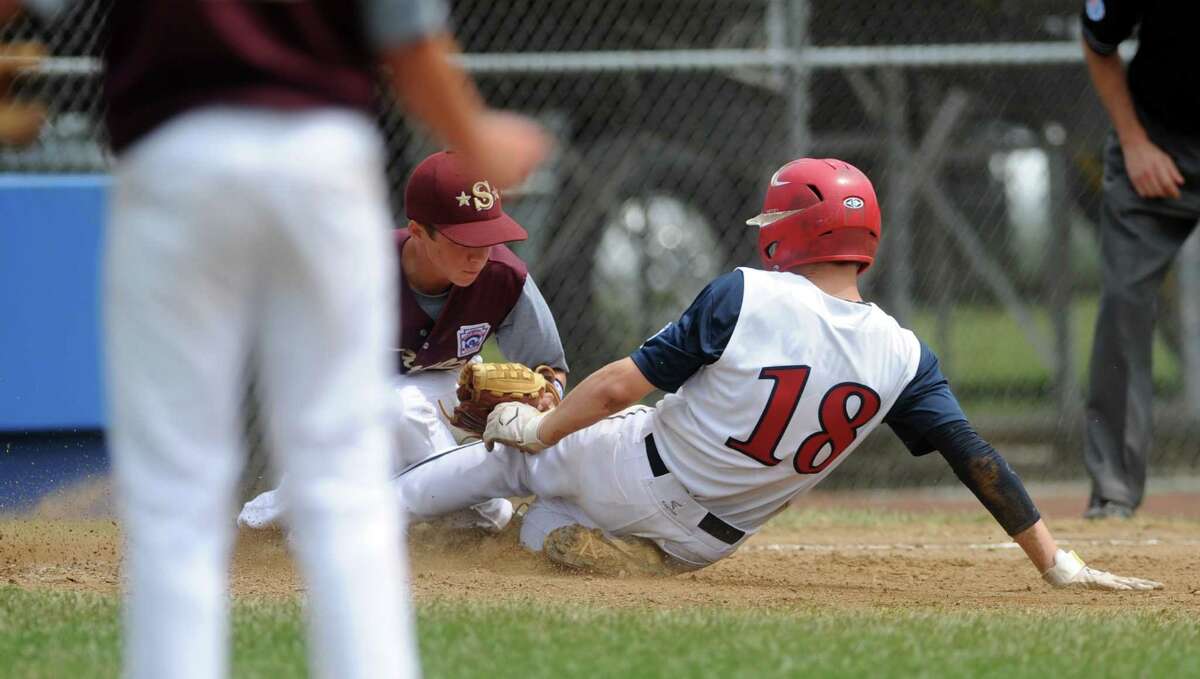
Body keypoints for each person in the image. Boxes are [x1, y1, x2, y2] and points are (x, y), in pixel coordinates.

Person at [5, 1, 549, 678]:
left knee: (175, 493)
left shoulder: (499, 278)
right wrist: (476, 136)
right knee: (344, 482)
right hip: (320, 159)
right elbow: (406, 31)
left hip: (175, 157)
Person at [394, 158, 1162, 592]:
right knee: (541, 528)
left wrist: (538, 425)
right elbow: (977, 459)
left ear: (792, 234)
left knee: (508, 458)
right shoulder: (903, 354)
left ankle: (337, 516)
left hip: (634, 469)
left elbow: (617, 388)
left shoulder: (747, 293)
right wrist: (1055, 560)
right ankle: (578, 540)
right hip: (711, 540)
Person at [238, 150, 569, 532]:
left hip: (449, 384)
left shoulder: (504, 277)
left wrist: (550, 395)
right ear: (417, 231)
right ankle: (482, 514)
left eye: (489, 236)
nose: (480, 254)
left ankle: (477, 516)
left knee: (401, 406)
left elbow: (550, 366)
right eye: (465, 240)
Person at [1080, 0, 1200, 519]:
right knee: (1124, 308)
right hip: (1156, 143)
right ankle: (1113, 493)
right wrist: (1133, 143)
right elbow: (1098, 44)